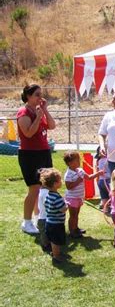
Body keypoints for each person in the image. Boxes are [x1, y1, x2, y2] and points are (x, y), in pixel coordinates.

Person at [17, 84, 56, 234]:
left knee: (43, 187)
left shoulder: (39, 111)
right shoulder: (23, 112)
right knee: (34, 188)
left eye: (41, 94)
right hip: (30, 154)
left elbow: (52, 126)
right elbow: (28, 133)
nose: (40, 97)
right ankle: (26, 222)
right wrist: (38, 117)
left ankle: (38, 216)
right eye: (37, 95)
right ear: (28, 96)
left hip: (43, 152)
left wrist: (45, 110)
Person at [63, 151, 104, 238]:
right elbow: (69, 187)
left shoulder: (80, 170)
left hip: (79, 197)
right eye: (77, 160)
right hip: (72, 198)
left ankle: (76, 228)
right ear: (70, 163)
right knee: (73, 215)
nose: (79, 161)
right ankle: (72, 231)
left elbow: (89, 177)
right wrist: (78, 180)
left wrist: (98, 173)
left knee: (76, 214)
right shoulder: (68, 174)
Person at [41, 168, 68, 263]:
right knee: (56, 241)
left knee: (54, 240)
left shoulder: (49, 195)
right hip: (56, 224)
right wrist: (66, 204)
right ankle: (56, 256)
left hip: (50, 222)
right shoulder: (57, 197)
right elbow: (63, 209)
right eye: (60, 180)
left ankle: (56, 252)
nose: (61, 182)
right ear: (55, 184)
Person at [95, 146, 110, 211]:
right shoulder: (109, 159)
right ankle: (113, 207)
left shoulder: (98, 161)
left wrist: (97, 181)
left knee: (104, 196)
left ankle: (105, 208)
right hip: (109, 180)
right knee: (112, 194)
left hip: (101, 181)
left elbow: (97, 172)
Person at [37, 184, 51, 253]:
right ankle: (46, 245)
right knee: (45, 234)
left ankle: (47, 244)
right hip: (45, 218)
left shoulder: (42, 191)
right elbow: (48, 205)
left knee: (45, 233)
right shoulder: (46, 192)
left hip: (42, 217)